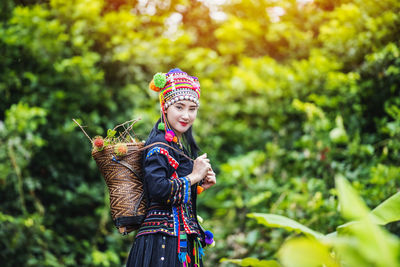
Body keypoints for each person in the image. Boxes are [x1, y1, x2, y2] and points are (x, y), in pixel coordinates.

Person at [126, 68, 216, 267]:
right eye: (179, 107)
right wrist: (193, 176)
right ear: (165, 107)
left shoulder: (176, 146)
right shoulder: (158, 146)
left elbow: (174, 191)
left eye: (192, 109)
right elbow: (159, 190)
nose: (186, 115)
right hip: (160, 243)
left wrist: (200, 184)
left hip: (176, 241)